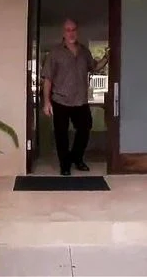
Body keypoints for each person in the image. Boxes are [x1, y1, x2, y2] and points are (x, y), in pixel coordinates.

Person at [42, 18, 109, 176]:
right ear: (63, 33)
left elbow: (94, 67)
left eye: (73, 30)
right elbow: (48, 79)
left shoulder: (84, 51)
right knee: (61, 135)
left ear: (77, 32)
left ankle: (76, 158)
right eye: (68, 30)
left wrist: (107, 57)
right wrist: (46, 102)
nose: (71, 33)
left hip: (80, 100)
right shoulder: (55, 53)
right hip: (60, 100)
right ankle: (65, 165)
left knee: (85, 128)